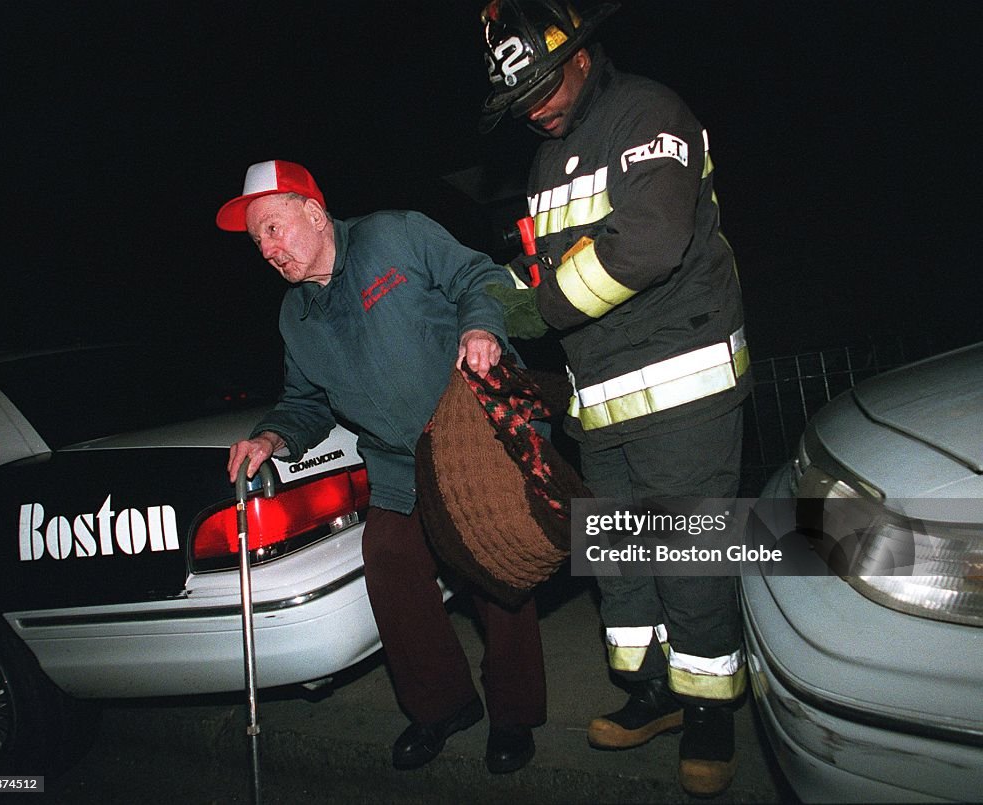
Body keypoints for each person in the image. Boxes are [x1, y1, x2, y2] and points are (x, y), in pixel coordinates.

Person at [476, 1, 752, 797]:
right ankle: (655, 693)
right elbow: (549, 272)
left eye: (544, 85)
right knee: (625, 566)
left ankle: (711, 715)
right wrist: (509, 305)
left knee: (691, 561)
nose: (536, 107)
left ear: (585, 56)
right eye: (519, 100)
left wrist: (543, 307)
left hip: (681, 385)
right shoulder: (541, 162)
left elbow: (652, 241)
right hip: (599, 402)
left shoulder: (647, 112)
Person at [216, 160, 545, 774]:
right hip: (397, 465)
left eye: (273, 227)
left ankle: (513, 713)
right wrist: (269, 438)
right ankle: (442, 705)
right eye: (257, 239)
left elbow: (477, 274)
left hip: (468, 436)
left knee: (496, 565)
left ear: (314, 213)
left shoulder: (393, 235)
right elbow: (305, 403)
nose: (266, 249)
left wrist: (480, 325)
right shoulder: (296, 317)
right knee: (389, 561)